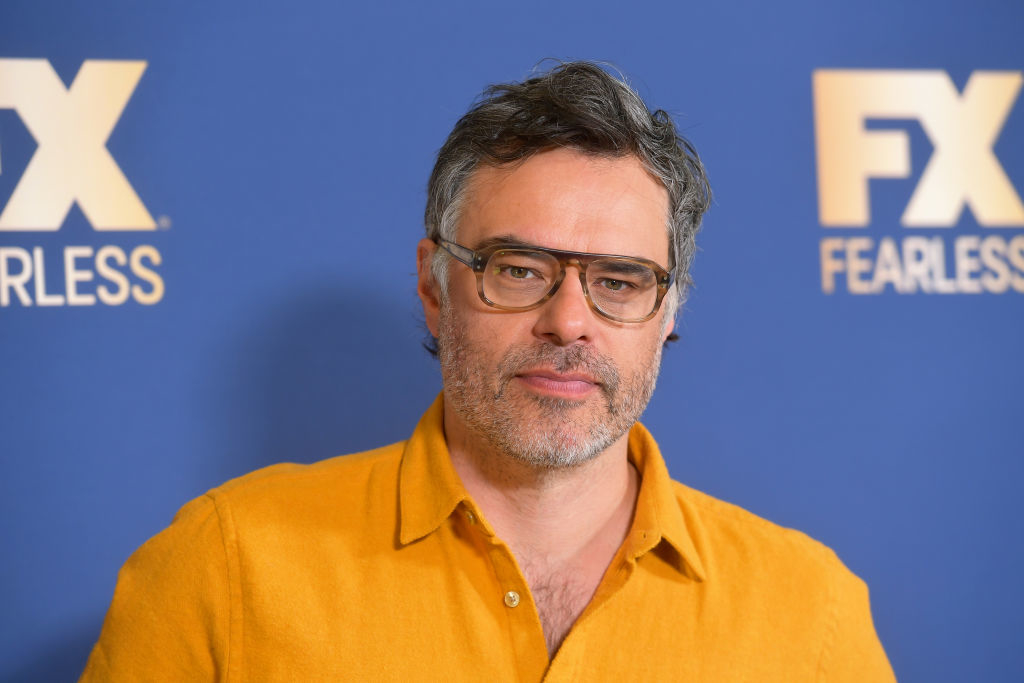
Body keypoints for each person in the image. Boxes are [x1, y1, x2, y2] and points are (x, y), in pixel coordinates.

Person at [81, 62, 895, 681]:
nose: (568, 320)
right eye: (518, 268)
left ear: (668, 311)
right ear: (434, 285)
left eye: (619, 281)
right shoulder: (222, 569)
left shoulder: (811, 613)